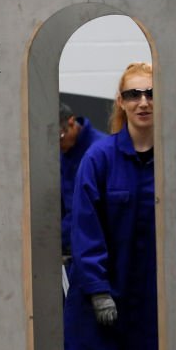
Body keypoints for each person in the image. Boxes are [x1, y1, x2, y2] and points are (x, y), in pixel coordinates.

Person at [64, 62, 160, 350]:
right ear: (120, 103)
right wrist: (99, 290)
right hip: (93, 307)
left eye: (152, 94)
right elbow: (85, 230)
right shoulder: (99, 159)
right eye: (134, 94)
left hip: (153, 307)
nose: (143, 102)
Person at [59, 102, 106, 257]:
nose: (56, 146)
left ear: (71, 122)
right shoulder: (63, 149)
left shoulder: (100, 150)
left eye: (59, 138)